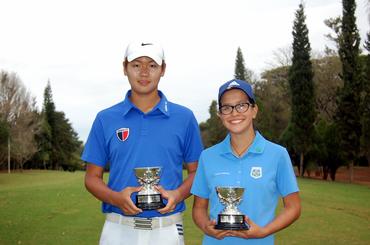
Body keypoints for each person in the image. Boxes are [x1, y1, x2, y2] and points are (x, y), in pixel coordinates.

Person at [81, 42, 203, 245]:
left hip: (167, 228)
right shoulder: (105, 118)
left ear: (163, 69)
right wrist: (116, 198)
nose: (144, 72)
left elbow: (197, 172)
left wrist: (178, 194)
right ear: (124, 68)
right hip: (117, 228)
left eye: (152, 65)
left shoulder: (184, 117)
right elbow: (92, 178)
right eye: (136, 65)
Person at [191, 79, 301, 245]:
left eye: (241, 105)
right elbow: (199, 208)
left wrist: (264, 231)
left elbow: (293, 207)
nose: (234, 113)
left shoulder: (278, 154)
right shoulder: (207, 156)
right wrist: (206, 227)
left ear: (254, 110)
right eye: (226, 108)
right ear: (220, 115)